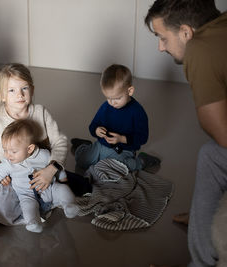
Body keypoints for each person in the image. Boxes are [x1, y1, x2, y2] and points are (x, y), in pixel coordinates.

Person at [144, 0, 227, 266]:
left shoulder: (199, 49)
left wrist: (215, 210)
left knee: (213, 153)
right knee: (210, 156)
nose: (161, 47)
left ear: (185, 32)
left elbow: (221, 133)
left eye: (162, 38)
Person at [0, 63, 68, 225]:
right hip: (15, 179)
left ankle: (45, 202)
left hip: (42, 174)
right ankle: (32, 214)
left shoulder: (41, 113)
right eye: (11, 90)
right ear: (2, 96)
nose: (19, 95)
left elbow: (60, 141)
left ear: (32, 90)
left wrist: (51, 169)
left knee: (65, 189)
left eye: (25, 88)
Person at [0, 119, 78, 233]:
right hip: (26, 195)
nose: (7, 155)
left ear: (30, 148)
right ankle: (33, 222)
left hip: (49, 189)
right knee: (28, 207)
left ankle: (69, 206)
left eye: (13, 151)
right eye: (5, 150)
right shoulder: (8, 164)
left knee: (62, 189)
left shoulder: (44, 155)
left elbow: (57, 169)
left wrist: (64, 181)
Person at [72, 64, 161, 173]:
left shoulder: (137, 112)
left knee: (122, 169)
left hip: (123, 150)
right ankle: (85, 146)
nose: (112, 103)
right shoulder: (106, 106)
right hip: (101, 145)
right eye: (108, 98)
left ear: (129, 91)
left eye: (117, 98)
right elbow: (93, 125)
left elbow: (143, 137)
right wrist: (96, 130)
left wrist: (122, 139)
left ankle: (142, 161)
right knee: (82, 160)